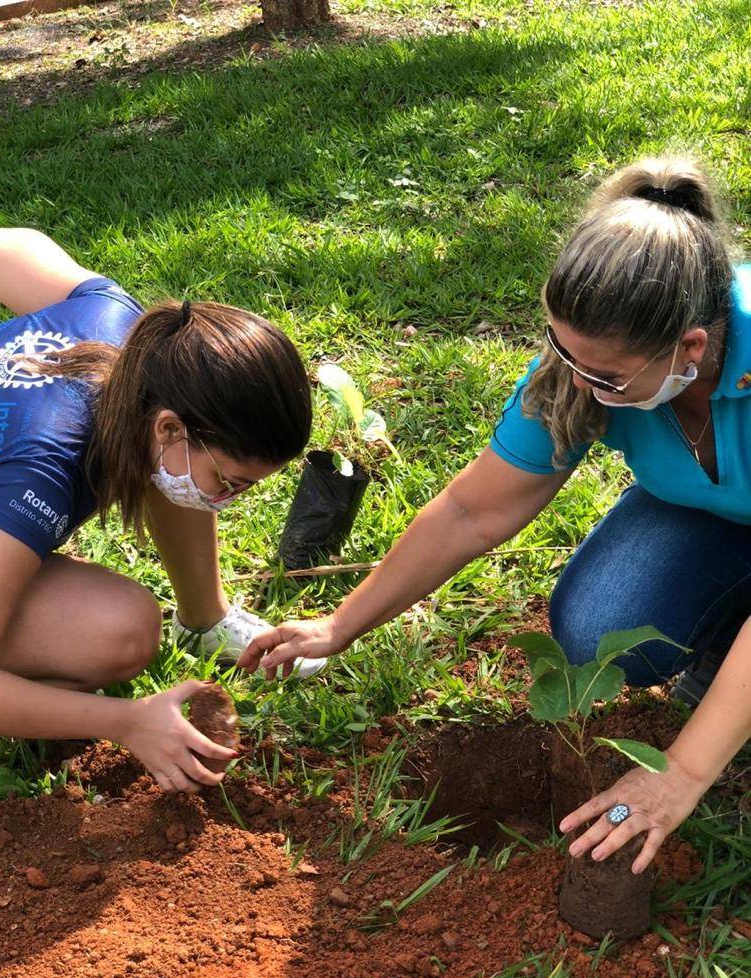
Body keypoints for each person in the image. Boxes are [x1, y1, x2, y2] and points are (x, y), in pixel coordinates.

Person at [241, 156, 751, 873]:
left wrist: (685, 772)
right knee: (602, 625)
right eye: (560, 349)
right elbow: (471, 513)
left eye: (603, 375)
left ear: (690, 349)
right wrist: (340, 624)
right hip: (717, 515)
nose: (577, 381)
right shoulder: (584, 368)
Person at [0, 227, 324, 792]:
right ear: (169, 424)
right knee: (92, 638)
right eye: (229, 481)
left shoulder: (129, 334)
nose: (228, 499)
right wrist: (128, 722)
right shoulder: (39, 472)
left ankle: (205, 621)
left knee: (126, 611)